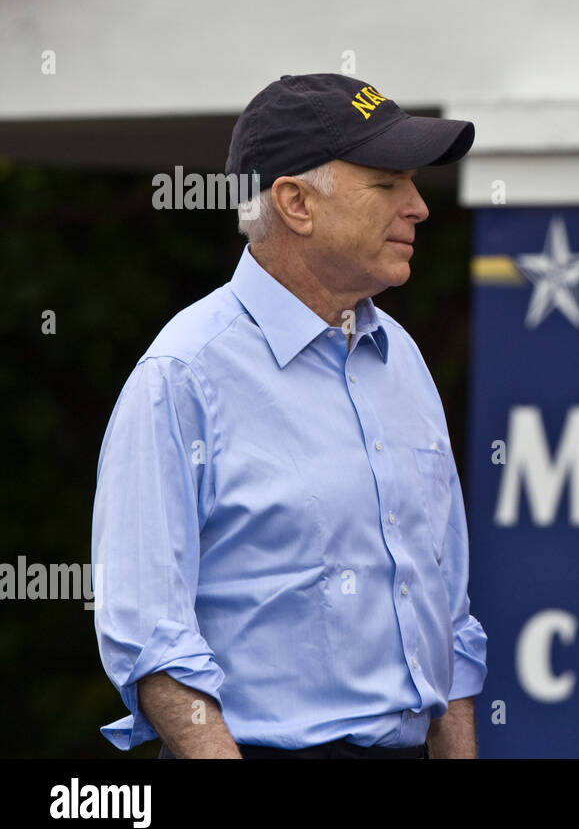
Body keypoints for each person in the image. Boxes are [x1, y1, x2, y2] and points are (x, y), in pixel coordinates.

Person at [91, 73, 486, 758]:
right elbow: (151, 638)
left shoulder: (402, 360)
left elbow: (446, 614)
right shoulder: (183, 375)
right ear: (296, 202)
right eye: (388, 184)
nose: (419, 206)